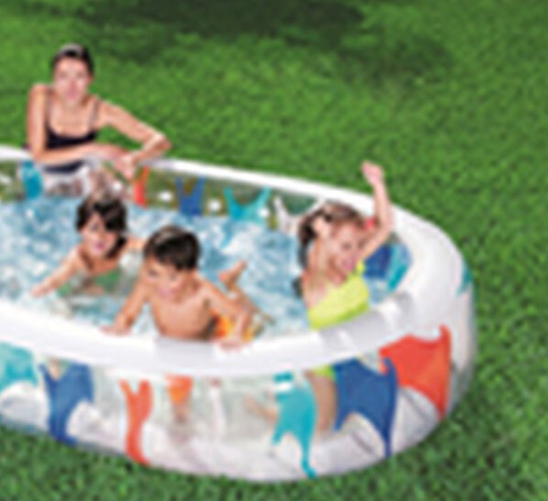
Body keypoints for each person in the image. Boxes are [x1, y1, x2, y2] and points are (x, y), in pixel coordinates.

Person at [105, 226, 257, 423]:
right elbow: (128, 314)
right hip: (174, 346)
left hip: (212, 334)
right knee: (178, 409)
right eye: (153, 272)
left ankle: (232, 283)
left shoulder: (202, 291)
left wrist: (235, 335)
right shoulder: (147, 286)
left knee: (221, 382)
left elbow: (241, 315)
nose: (162, 284)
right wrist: (121, 325)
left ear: (192, 274)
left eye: (172, 277)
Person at [294, 161, 394, 429]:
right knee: (324, 426)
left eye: (359, 245)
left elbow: (384, 228)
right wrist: (324, 237)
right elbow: (319, 260)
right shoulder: (315, 283)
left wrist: (378, 185)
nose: (354, 253)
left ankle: (268, 411)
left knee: (350, 414)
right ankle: (268, 418)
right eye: (345, 246)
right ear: (325, 245)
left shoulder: (354, 265)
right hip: (323, 366)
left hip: (352, 357)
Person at [26, 44, 171, 194]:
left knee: (118, 191)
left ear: (90, 79)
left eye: (80, 76)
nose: (71, 86)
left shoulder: (101, 111)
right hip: (37, 173)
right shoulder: (42, 96)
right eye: (63, 76)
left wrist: (134, 158)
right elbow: (38, 156)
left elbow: (160, 141)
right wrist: (92, 149)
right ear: (54, 78)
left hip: (78, 175)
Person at [30, 192, 143, 299]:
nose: (100, 236)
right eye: (94, 228)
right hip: (82, 285)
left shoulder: (124, 246)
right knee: (81, 293)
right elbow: (54, 281)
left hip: (113, 282)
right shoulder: (78, 257)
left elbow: (149, 244)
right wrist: (36, 293)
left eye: (109, 228)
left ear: (118, 233)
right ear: (81, 230)